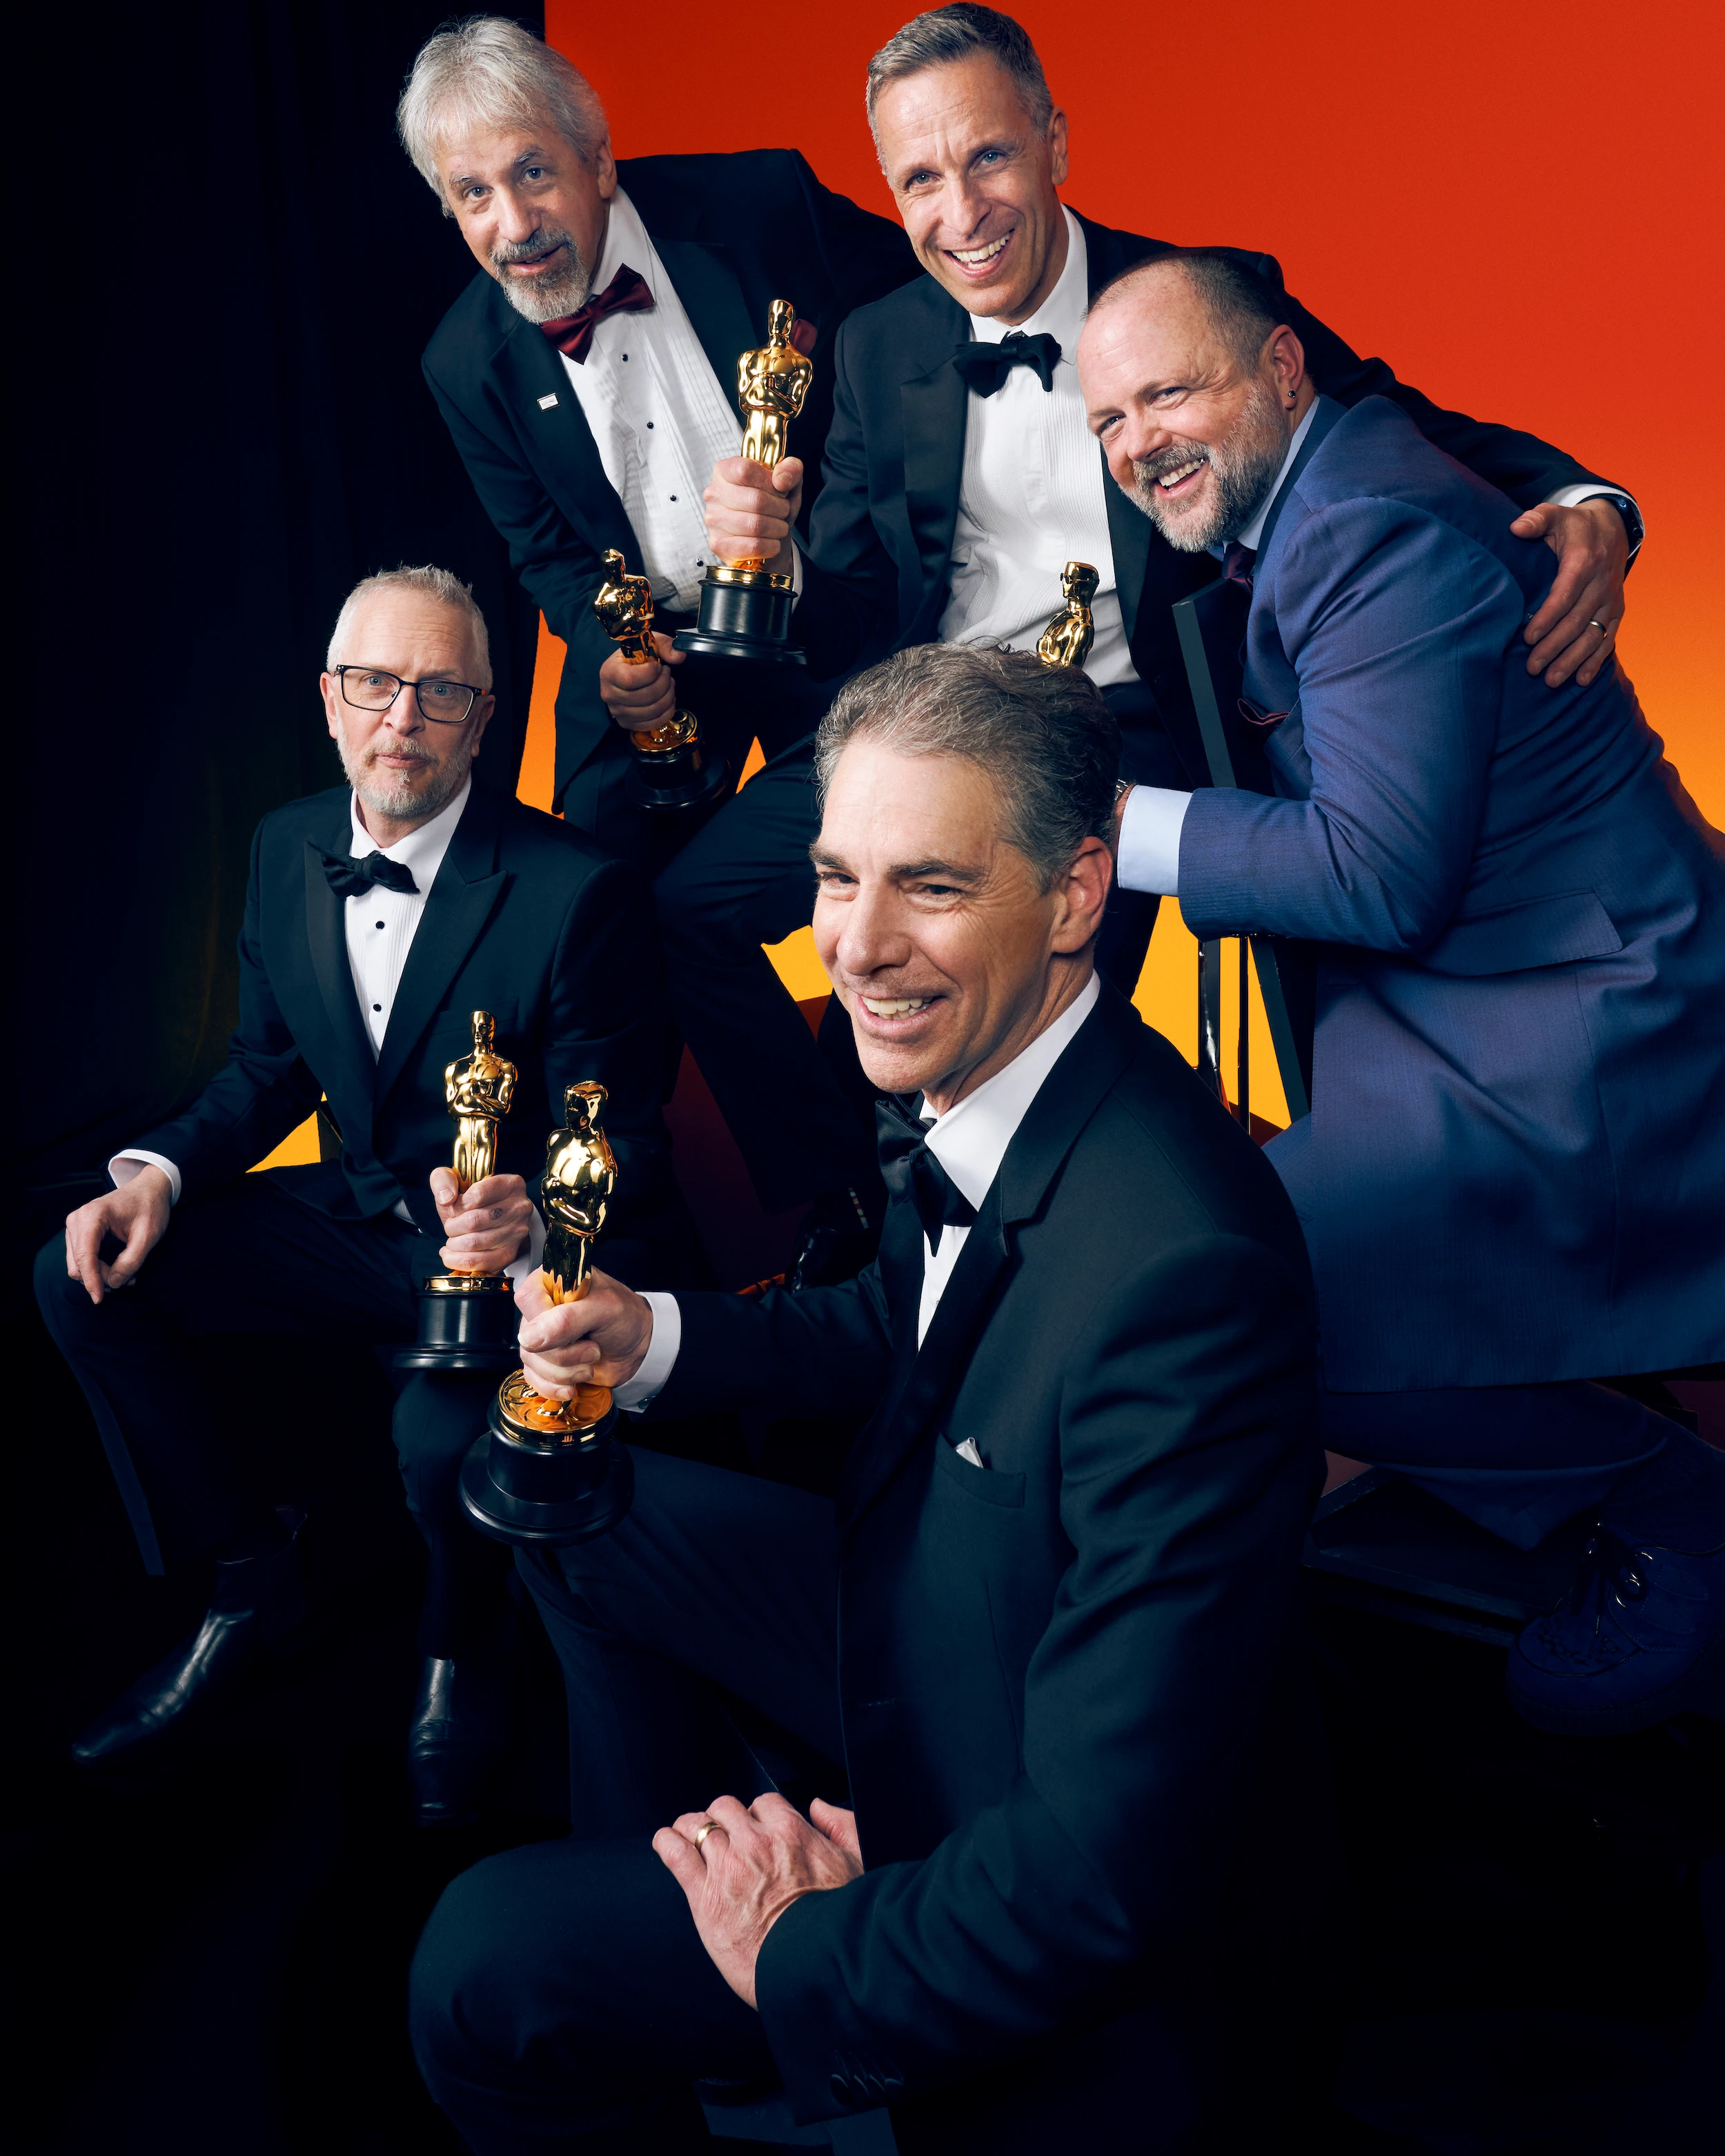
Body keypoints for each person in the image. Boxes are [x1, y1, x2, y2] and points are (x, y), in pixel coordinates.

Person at [407, 643, 1325, 2152]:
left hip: (1016, 1793)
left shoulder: (1188, 1272)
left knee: (477, 1966)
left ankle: (726, 1982)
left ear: (1077, 895)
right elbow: (903, 1324)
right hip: (924, 1595)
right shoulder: (998, 1074)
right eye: (838, 877)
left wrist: (794, 1943)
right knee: (569, 1505)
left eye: (932, 886)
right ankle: (679, 1892)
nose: (857, 946)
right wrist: (653, 1338)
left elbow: (1100, 1877)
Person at [657, 1, 1646, 1289]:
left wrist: (1584, 497)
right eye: (921, 180)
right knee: (685, 909)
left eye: (990, 156)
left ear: (1055, 142)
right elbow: (853, 607)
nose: (962, 211)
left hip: (1136, 724)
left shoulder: (1189, 299)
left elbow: (1383, 412)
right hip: (938, 716)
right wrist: (778, 565)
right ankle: (847, 1194)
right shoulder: (879, 340)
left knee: (1024, 1000)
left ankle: (1051, 1254)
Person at [1078, 250, 1725, 1734]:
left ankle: (1677, 1509)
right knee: (1238, 1235)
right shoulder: (1315, 487)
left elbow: (1376, 876)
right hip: (1484, 977)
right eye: (1108, 420)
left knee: (1242, 1294)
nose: (1138, 443)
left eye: (1168, 395)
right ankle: (1547, 1417)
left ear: (1282, 369)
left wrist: (1110, 829)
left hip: (1591, 1009)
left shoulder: (1366, 523)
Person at [35, 566, 695, 1821]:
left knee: (436, 1442)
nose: (403, 717)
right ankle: (251, 1576)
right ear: (330, 700)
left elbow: (625, 1143)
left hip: (502, 1267)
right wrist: (155, 1175)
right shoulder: (285, 843)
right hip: (357, 1224)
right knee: (81, 1277)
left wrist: (529, 1220)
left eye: (440, 691)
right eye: (376, 683)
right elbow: (265, 1071)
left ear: (484, 720)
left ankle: (461, 1647)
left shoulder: (578, 889)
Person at [402, 17, 914, 859]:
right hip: (662, 654)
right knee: (595, 905)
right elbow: (547, 556)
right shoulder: (462, 363)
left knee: (891, 854)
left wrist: (857, 506)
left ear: (599, 161)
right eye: (474, 194)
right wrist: (614, 654)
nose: (515, 223)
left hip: (827, 606)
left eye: (533, 172)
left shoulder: (763, 205)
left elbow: (920, 310)